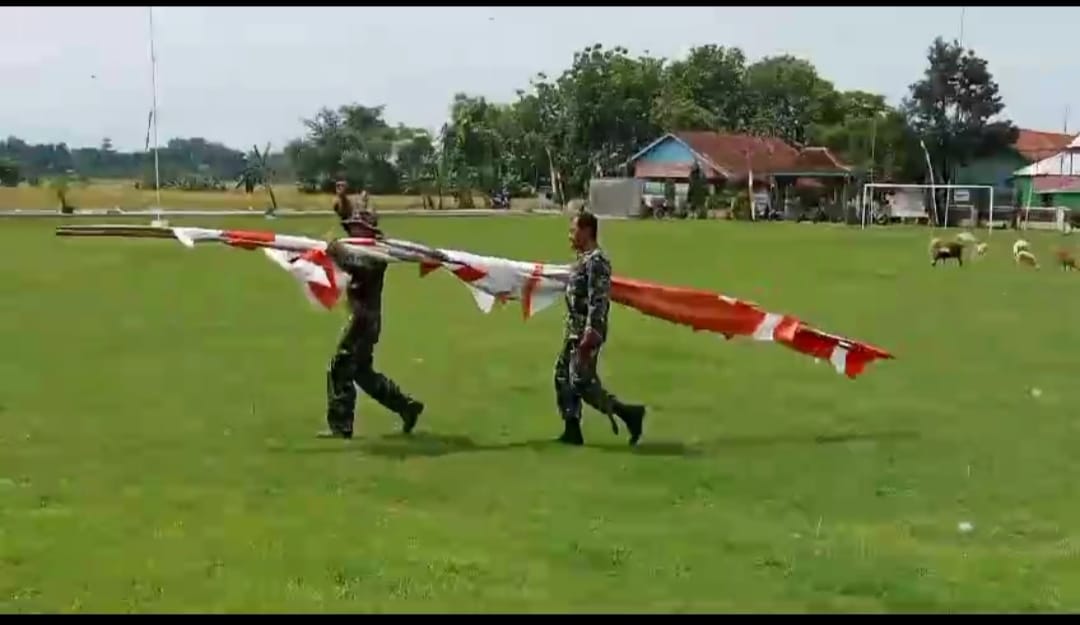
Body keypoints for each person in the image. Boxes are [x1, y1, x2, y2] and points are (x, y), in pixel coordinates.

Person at [318, 209, 424, 439]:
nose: (352, 230)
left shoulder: (377, 254)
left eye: (357, 226)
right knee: (362, 373)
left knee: (340, 368)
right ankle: (406, 406)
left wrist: (335, 250)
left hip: (363, 321)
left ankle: (341, 426)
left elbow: (357, 267)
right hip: (364, 319)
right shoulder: (361, 246)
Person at [553, 211, 646, 446]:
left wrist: (590, 334)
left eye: (573, 231)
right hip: (574, 330)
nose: (569, 236)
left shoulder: (597, 261)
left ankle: (629, 414)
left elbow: (599, 300)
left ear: (587, 231)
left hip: (586, 333)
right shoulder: (583, 260)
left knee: (581, 382)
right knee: (564, 376)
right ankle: (572, 429)